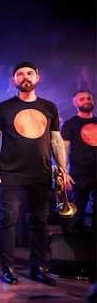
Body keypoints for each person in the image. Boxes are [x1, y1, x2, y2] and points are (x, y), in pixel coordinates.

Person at [0, 62, 72, 285]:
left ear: (38, 77)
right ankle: (8, 268)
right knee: (8, 219)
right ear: (13, 80)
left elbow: (56, 141)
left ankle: (39, 268)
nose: (25, 77)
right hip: (10, 173)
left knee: (40, 222)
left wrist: (63, 170)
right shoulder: (3, 108)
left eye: (29, 73)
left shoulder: (50, 107)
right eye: (20, 74)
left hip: (41, 173)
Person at [60, 90, 96, 235]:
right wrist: (64, 172)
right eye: (82, 99)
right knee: (78, 206)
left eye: (89, 98)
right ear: (75, 103)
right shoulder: (70, 124)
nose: (86, 101)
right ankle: (74, 241)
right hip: (79, 171)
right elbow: (64, 149)